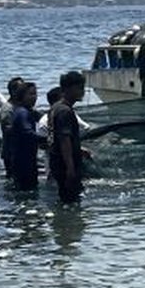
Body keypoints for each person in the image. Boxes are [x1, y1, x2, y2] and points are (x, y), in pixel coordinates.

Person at [47, 71, 86, 204]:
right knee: (71, 200)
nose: (83, 91)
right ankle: (69, 224)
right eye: (79, 88)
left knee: (65, 198)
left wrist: (79, 150)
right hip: (64, 164)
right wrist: (70, 168)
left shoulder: (56, 107)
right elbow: (64, 140)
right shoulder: (64, 111)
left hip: (57, 161)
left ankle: (65, 222)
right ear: (68, 89)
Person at [5, 79, 40, 191]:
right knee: (27, 190)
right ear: (22, 96)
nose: (34, 97)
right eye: (30, 94)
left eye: (35, 94)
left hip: (24, 159)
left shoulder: (26, 111)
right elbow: (28, 133)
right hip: (24, 162)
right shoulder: (22, 113)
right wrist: (48, 139)